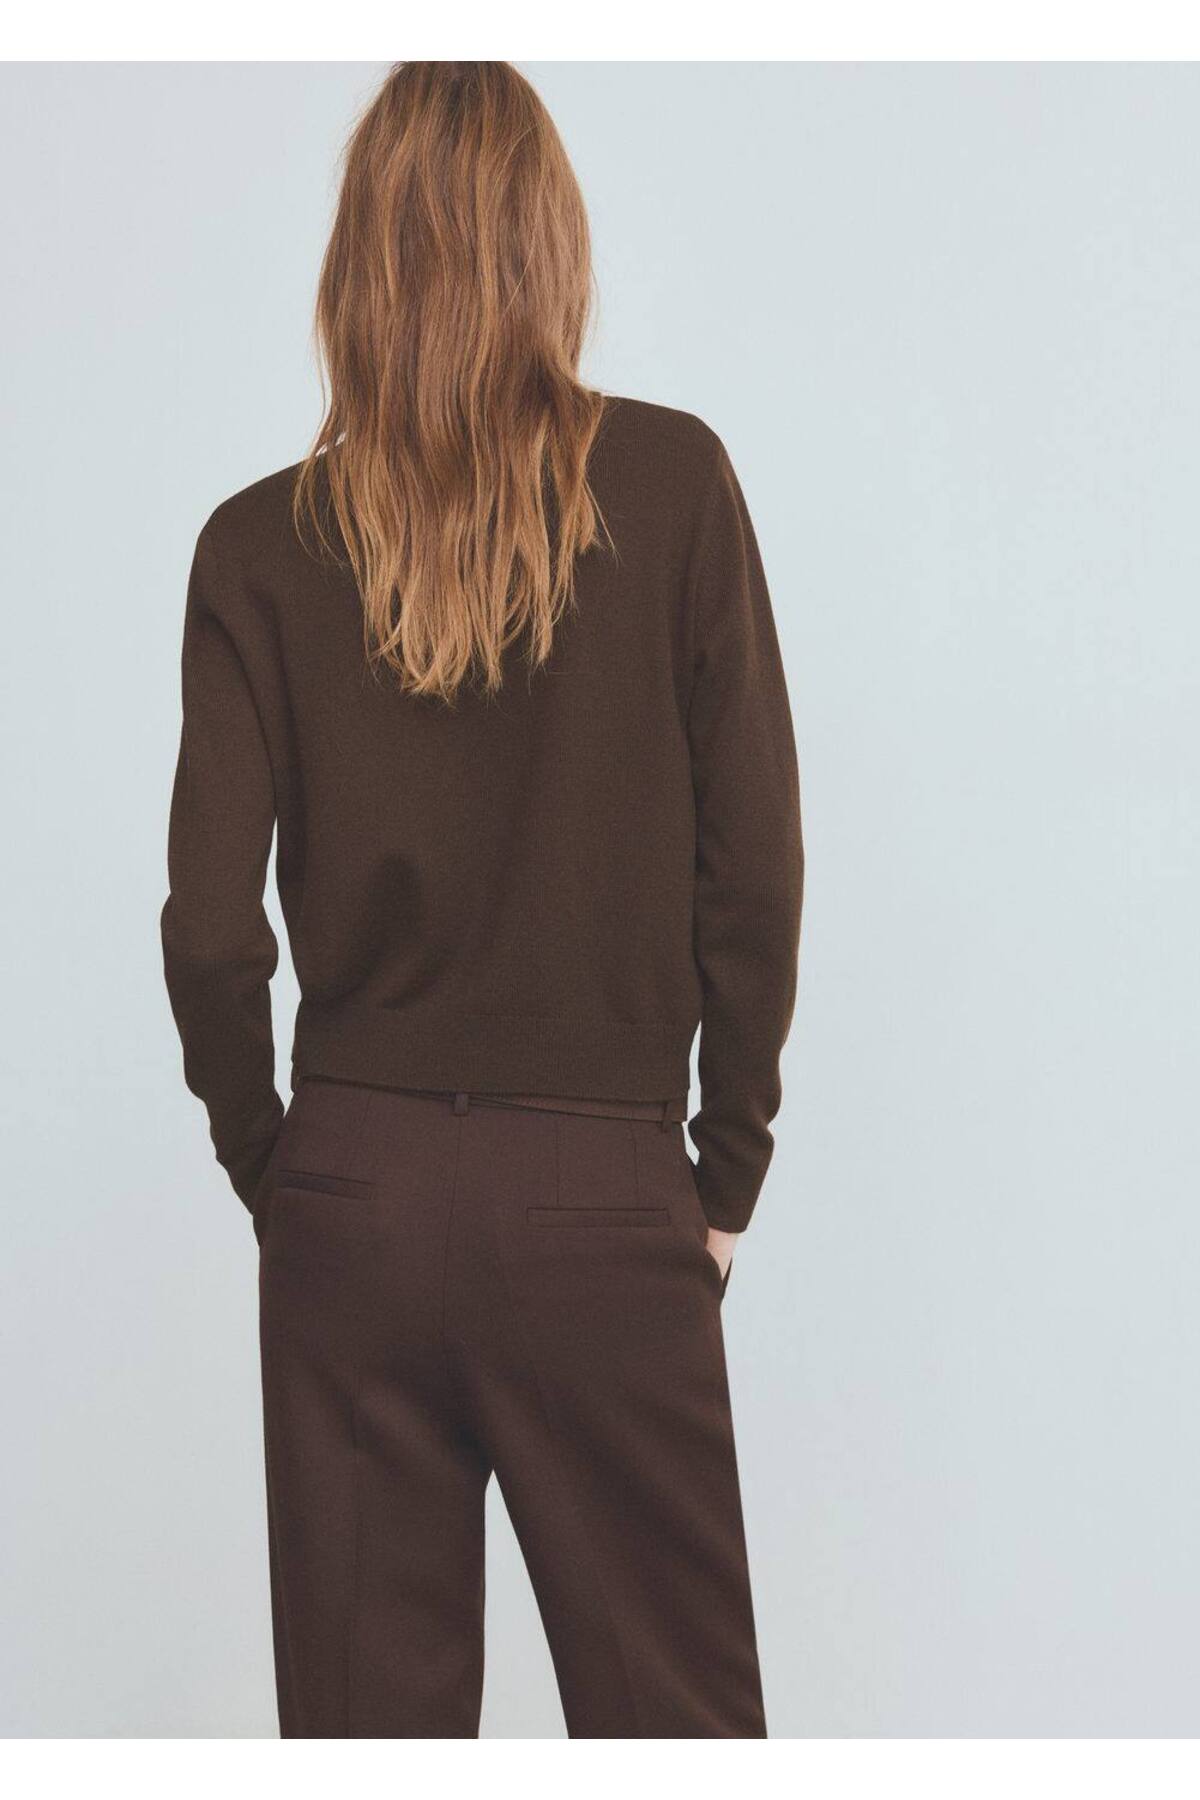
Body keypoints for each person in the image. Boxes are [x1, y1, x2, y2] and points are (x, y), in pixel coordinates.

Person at [161, 60, 802, 1740]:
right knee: (679, 1737)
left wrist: (283, 1168)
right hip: (601, 1194)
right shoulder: (673, 487)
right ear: (549, 244)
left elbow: (209, 931)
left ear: (355, 262)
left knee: (366, 1743)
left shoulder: (253, 548)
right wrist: (723, 1166)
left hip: (352, 1195)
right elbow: (755, 865)